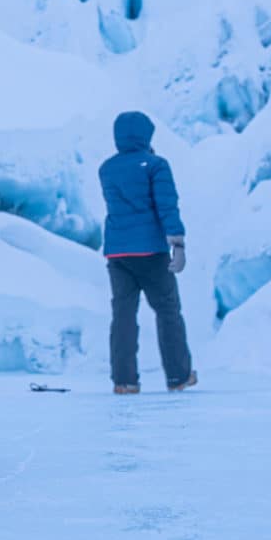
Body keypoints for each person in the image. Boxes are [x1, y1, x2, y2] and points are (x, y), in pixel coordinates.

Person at [98, 111, 197, 394]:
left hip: (117, 254)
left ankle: (124, 380)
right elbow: (167, 205)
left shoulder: (106, 168)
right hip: (152, 252)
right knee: (168, 312)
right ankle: (178, 375)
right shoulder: (156, 165)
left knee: (123, 316)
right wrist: (177, 243)